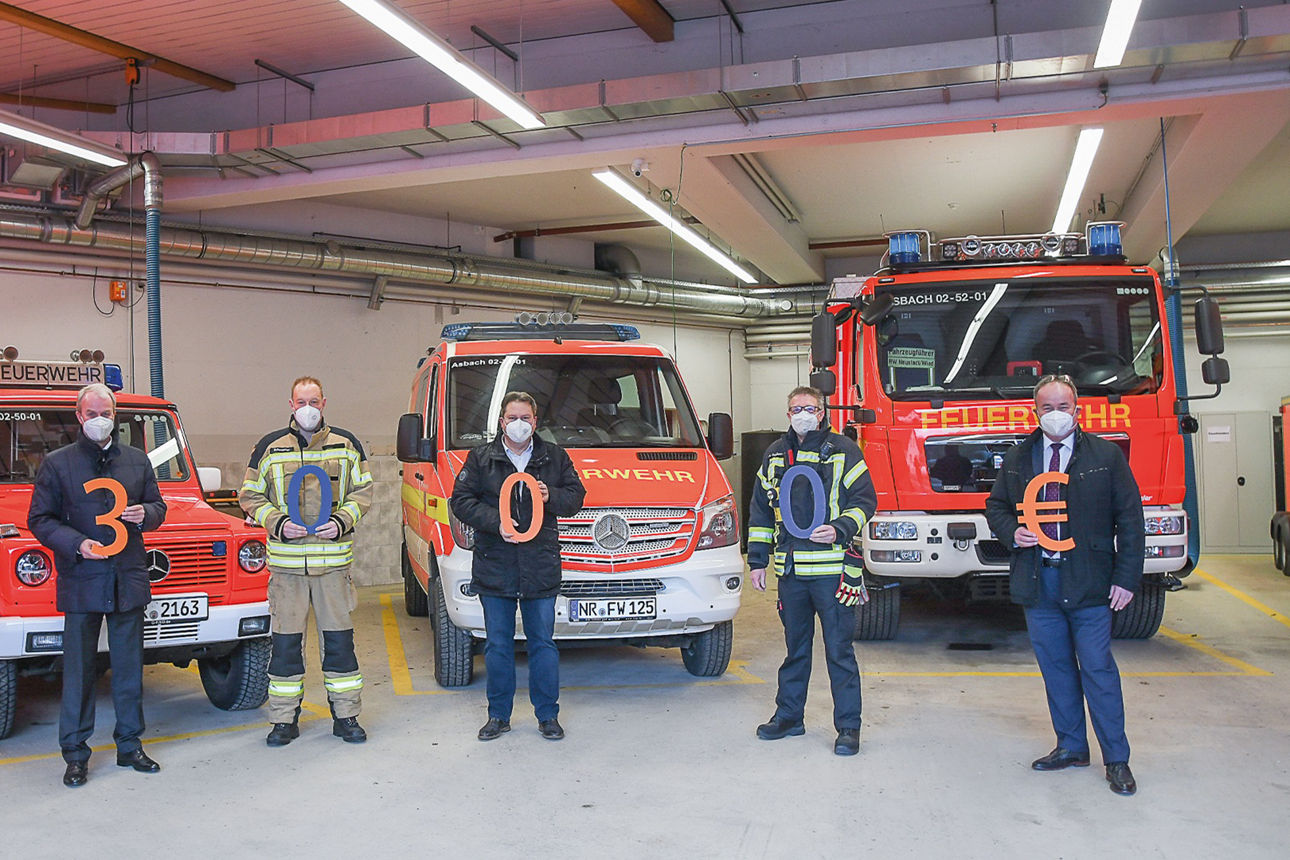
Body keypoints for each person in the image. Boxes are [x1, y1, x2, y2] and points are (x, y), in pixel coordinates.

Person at [984, 374, 1143, 796]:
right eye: (1046, 407)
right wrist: (1010, 532)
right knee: (1056, 670)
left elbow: (1130, 520)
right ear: (1034, 411)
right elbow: (996, 505)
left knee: (1097, 669)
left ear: (1078, 409)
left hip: (1090, 582)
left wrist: (1126, 578)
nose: (1055, 414)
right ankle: (1071, 746)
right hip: (1040, 582)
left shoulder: (1105, 456)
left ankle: (1117, 759)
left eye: (1063, 406)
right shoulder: (1020, 457)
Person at [28, 382, 167, 787]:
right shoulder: (58, 464)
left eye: (106, 412)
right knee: (79, 671)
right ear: (79, 416)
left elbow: (159, 506)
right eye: (91, 414)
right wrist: (77, 544)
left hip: (127, 577)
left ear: (115, 414)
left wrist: (149, 514)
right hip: (82, 580)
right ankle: (74, 753)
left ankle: (130, 745)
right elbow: (40, 519)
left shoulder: (138, 461)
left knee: (128, 669)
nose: (99, 420)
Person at [240, 376, 373, 746]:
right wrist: (278, 523)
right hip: (287, 571)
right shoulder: (270, 448)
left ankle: (346, 716)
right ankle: (284, 720)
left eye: (314, 401)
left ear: (325, 402)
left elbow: (363, 491)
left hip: (333, 567)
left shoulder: (347, 445)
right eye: (301, 402)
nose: (308, 408)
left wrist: (342, 520)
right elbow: (249, 495)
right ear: (291, 404)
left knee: (340, 646)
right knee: (284, 649)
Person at [746, 386, 876, 756]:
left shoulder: (844, 450)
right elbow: (760, 511)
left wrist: (840, 529)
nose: (802, 413)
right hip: (791, 574)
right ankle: (789, 717)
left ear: (822, 412)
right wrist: (757, 561)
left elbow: (866, 501)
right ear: (787, 415)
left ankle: (848, 728)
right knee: (795, 650)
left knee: (839, 652)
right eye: (795, 408)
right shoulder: (774, 455)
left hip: (833, 572)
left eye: (809, 407)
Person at [450, 391, 586, 742]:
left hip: (540, 566)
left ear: (535, 422)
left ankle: (547, 716)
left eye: (525, 417)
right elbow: (461, 501)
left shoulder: (553, 457)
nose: (519, 424)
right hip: (496, 567)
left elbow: (576, 497)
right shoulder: (481, 459)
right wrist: (499, 522)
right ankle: (498, 716)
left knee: (543, 644)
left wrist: (550, 496)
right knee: (497, 645)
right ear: (501, 422)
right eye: (513, 418)